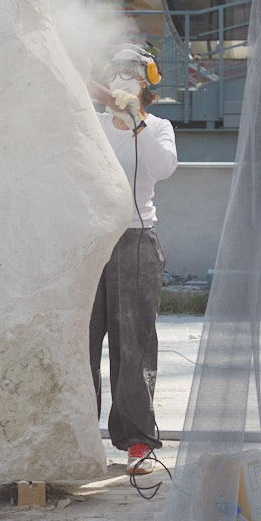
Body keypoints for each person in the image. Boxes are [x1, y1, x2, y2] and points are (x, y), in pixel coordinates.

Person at [88, 45, 178, 475]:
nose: (125, 78)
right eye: (118, 71)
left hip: (137, 241)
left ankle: (138, 442)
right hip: (90, 242)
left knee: (134, 344)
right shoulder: (91, 127)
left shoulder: (158, 127)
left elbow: (164, 168)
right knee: (80, 344)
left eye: (133, 72)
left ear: (149, 83)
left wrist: (137, 123)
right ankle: (80, 438)